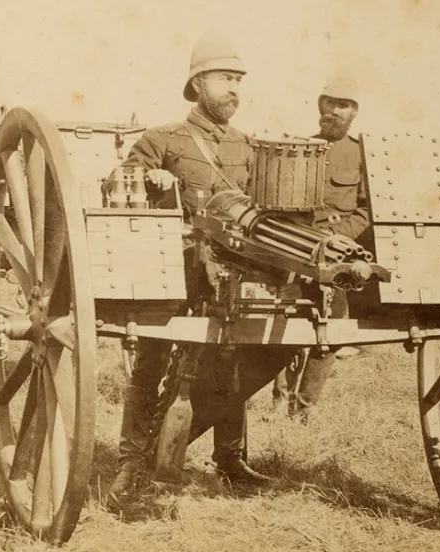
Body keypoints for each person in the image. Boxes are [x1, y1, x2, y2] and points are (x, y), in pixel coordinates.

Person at [107, 30, 286, 509]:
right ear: (198, 82)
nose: (235, 89)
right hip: (173, 274)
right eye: (226, 78)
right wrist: (153, 181)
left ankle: (230, 458)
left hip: (234, 273)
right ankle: (130, 463)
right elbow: (118, 188)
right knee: (150, 364)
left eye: (239, 80)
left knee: (234, 362)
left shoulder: (250, 146)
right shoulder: (162, 139)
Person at [269, 74, 369, 422]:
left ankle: (305, 407)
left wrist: (339, 236)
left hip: (338, 253)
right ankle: (280, 399)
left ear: (353, 112)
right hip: (295, 249)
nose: (334, 111)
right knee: (281, 323)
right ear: (320, 107)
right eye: (329, 103)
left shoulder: (360, 155)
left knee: (334, 328)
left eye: (342, 105)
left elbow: (367, 210)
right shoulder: (298, 149)